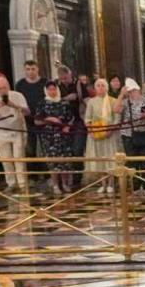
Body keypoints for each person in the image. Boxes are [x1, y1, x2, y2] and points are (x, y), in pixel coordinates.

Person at [37, 67, 84, 195]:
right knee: (53, 162)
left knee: (65, 161)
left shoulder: (64, 103)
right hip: (49, 137)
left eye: (54, 89)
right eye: (49, 89)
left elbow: (71, 118)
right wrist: (49, 119)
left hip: (64, 136)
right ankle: (55, 185)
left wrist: (67, 126)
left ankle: (65, 183)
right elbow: (37, 120)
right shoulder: (42, 103)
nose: (52, 91)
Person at [0, 73, 31, 191]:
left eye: (5, 87)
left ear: (8, 85)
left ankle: (22, 184)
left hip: (18, 130)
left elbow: (27, 112)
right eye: (0, 88)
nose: (3, 90)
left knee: (19, 158)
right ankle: (11, 183)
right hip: (1, 131)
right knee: (6, 159)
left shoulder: (18, 95)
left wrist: (13, 105)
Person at [82, 76, 119, 186]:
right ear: (95, 88)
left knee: (110, 158)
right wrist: (91, 131)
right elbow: (87, 119)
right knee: (100, 159)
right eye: (98, 85)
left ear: (107, 87)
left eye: (103, 85)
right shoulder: (91, 102)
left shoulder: (113, 101)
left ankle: (111, 183)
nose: (100, 88)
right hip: (95, 134)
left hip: (109, 135)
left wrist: (110, 130)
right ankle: (103, 184)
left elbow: (116, 118)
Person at [116, 74, 145, 170]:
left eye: (134, 91)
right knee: (132, 162)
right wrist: (121, 95)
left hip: (143, 134)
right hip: (129, 135)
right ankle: (135, 184)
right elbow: (116, 109)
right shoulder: (125, 102)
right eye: (130, 92)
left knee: (144, 163)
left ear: (138, 90)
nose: (132, 93)